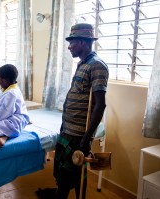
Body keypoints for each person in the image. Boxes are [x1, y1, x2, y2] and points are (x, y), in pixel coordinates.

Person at [37, 23, 109, 199]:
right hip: (67, 129)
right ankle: (60, 193)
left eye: (72, 42)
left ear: (83, 43)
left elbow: (100, 105)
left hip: (78, 134)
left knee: (70, 172)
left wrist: (87, 138)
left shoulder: (97, 65)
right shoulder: (83, 64)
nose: (69, 47)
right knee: (62, 170)